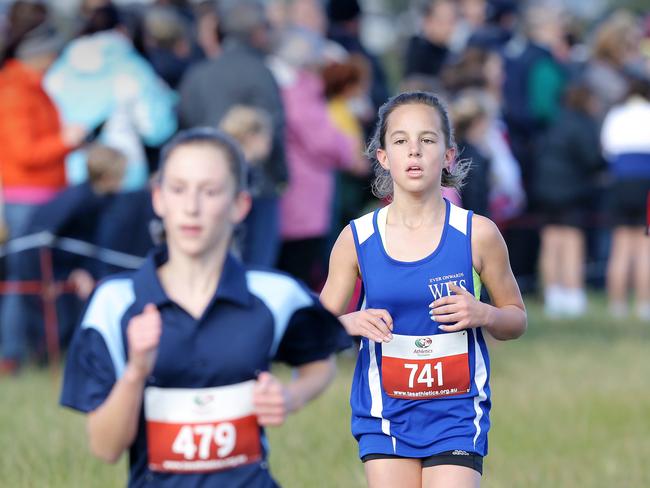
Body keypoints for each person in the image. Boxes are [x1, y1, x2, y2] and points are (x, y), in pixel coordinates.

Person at [60, 127, 345, 487]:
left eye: (210, 192)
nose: (192, 208)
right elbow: (105, 448)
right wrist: (135, 372)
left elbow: (321, 364)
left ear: (240, 204)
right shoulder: (114, 303)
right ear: (159, 199)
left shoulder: (275, 294)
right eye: (178, 190)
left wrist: (290, 397)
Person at [320, 91, 527, 487]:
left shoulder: (477, 234)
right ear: (383, 157)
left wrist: (484, 313)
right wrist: (350, 323)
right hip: (385, 413)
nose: (414, 151)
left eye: (427, 140)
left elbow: (516, 319)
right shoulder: (357, 238)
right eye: (400, 141)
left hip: (456, 413)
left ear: (448, 155)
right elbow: (313, 328)